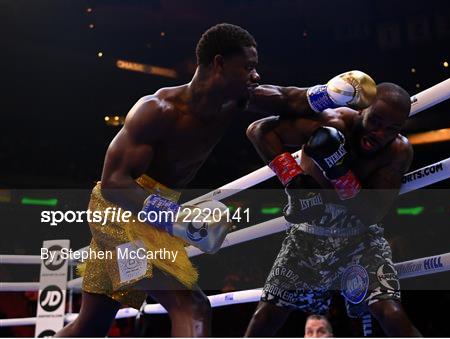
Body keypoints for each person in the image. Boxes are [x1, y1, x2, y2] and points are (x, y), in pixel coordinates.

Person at [55, 21, 376, 337]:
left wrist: (333, 93)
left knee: (92, 326)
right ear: (219, 64)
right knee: (191, 306)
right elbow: (114, 184)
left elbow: (288, 98)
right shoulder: (156, 110)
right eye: (248, 66)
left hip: (153, 215)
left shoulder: (236, 99)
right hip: (118, 216)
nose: (256, 75)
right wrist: (177, 219)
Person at [244, 82, 422, 336]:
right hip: (308, 235)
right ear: (362, 110)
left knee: (390, 312)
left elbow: (373, 213)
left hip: (359, 237)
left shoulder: (397, 151)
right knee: (265, 318)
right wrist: (294, 180)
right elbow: (258, 131)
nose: (380, 133)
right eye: (376, 122)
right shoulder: (331, 122)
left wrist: (339, 172)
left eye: (391, 129)